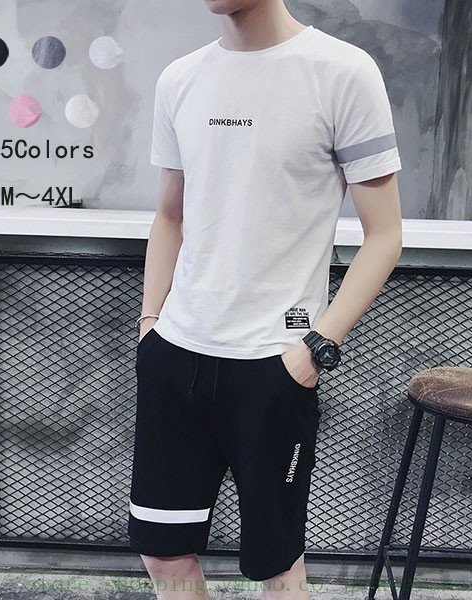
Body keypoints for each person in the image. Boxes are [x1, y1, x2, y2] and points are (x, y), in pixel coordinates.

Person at [128, 0, 403, 597]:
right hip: (175, 354)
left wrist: (315, 350)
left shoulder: (342, 72)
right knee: (163, 554)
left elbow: (385, 235)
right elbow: (170, 215)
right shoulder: (180, 79)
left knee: (276, 564)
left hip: (273, 365)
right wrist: (150, 328)